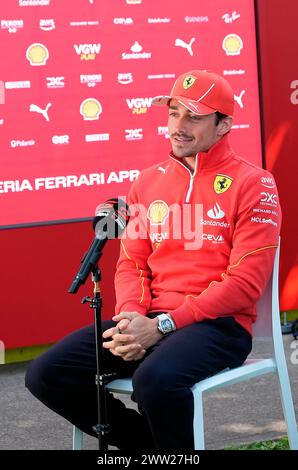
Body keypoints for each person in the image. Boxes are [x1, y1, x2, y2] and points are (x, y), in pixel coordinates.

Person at [25, 70, 281, 450]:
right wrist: (131, 318)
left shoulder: (254, 183)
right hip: (149, 320)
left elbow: (244, 286)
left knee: (155, 379)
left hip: (217, 328)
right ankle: (149, 448)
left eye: (193, 116)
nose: (179, 126)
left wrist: (162, 325)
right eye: (174, 113)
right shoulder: (147, 181)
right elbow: (131, 262)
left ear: (224, 124)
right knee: (47, 374)